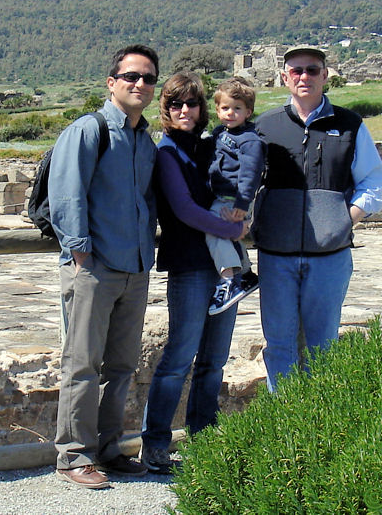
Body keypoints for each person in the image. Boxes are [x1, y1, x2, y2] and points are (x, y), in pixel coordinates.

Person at [48, 44, 159, 489]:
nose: (140, 84)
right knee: (81, 364)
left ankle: (109, 449)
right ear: (111, 82)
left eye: (148, 78)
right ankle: (73, 456)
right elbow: (67, 193)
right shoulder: (89, 130)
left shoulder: (143, 139)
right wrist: (78, 254)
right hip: (93, 267)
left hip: (134, 266)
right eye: (132, 76)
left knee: (121, 366)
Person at [252, 46, 382, 391]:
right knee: (279, 346)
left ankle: (319, 425)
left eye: (312, 70)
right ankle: (282, 422)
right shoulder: (265, 126)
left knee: (323, 349)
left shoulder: (350, 125)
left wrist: (345, 219)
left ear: (326, 75)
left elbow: (372, 180)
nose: (304, 77)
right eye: (296, 71)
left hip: (330, 258)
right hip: (276, 256)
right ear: (284, 77)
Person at [140, 71, 247, 475]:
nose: (184, 110)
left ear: (203, 109)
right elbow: (184, 210)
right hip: (190, 265)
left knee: (215, 360)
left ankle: (204, 438)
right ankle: (154, 444)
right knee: (180, 356)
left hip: (224, 267)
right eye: (175, 104)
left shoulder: (211, 146)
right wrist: (234, 229)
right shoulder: (167, 152)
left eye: (192, 103)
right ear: (165, 110)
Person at [205, 77, 265, 315]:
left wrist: (242, 204)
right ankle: (247, 274)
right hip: (222, 192)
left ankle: (228, 278)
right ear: (217, 110)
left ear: (248, 111)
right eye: (225, 108)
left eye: (237, 109)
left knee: (213, 228)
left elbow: (251, 174)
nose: (230, 113)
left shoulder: (250, 141)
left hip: (234, 197)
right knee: (232, 236)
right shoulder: (220, 133)